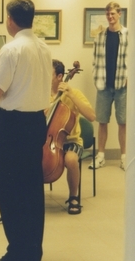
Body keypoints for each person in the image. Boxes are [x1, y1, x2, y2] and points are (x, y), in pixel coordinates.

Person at [0, 0, 52, 261]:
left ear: (10, 20)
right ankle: (32, 250)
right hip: (36, 123)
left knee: (10, 190)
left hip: (13, 126)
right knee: (32, 189)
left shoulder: (11, 49)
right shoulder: (44, 48)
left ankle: (17, 253)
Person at [50, 59, 95, 214]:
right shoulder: (40, 94)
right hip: (49, 140)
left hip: (71, 141)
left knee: (70, 159)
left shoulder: (73, 93)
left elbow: (91, 116)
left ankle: (73, 197)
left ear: (59, 76)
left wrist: (71, 95)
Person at [91, 1, 128, 170]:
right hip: (104, 85)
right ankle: (100, 156)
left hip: (122, 85)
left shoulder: (128, 35)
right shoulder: (100, 36)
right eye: (108, 14)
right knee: (102, 121)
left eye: (113, 13)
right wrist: (95, 75)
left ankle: (124, 157)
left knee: (123, 122)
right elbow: (95, 59)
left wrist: (130, 77)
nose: (110, 17)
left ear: (119, 14)